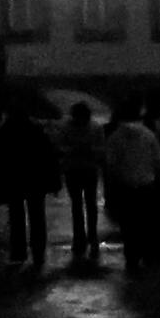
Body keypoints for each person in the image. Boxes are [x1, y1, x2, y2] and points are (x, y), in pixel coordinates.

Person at [0, 81, 57, 271]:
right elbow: (48, 155)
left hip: (13, 178)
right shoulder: (36, 130)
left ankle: (18, 252)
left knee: (16, 215)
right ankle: (38, 252)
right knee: (37, 215)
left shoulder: (5, 131)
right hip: (35, 178)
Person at [103, 93, 160, 267]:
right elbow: (158, 160)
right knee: (146, 220)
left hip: (124, 185)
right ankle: (147, 252)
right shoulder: (149, 135)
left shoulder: (115, 137)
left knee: (128, 223)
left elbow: (110, 164)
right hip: (146, 183)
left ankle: (131, 255)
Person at [58, 95, 108, 268]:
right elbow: (102, 148)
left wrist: (72, 150)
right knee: (89, 204)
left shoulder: (66, 127)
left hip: (74, 168)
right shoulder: (95, 127)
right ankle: (91, 237)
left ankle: (80, 238)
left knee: (78, 205)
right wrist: (90, 150)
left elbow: (60, 147)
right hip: (88, 168)